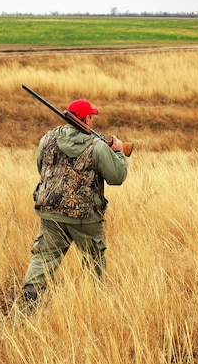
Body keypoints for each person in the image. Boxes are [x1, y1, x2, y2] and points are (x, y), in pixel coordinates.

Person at [22, 98, 128, 302]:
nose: (92, 120)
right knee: (93, 259)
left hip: (51, 211)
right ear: (87, 119)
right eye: (92, 116)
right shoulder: (96, 146)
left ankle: (30, 299)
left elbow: (42, 169)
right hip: (85, 217)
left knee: (44, 257)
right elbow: (117, 177)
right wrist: (118, 153)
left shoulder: (48, 139)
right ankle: (93, 302)